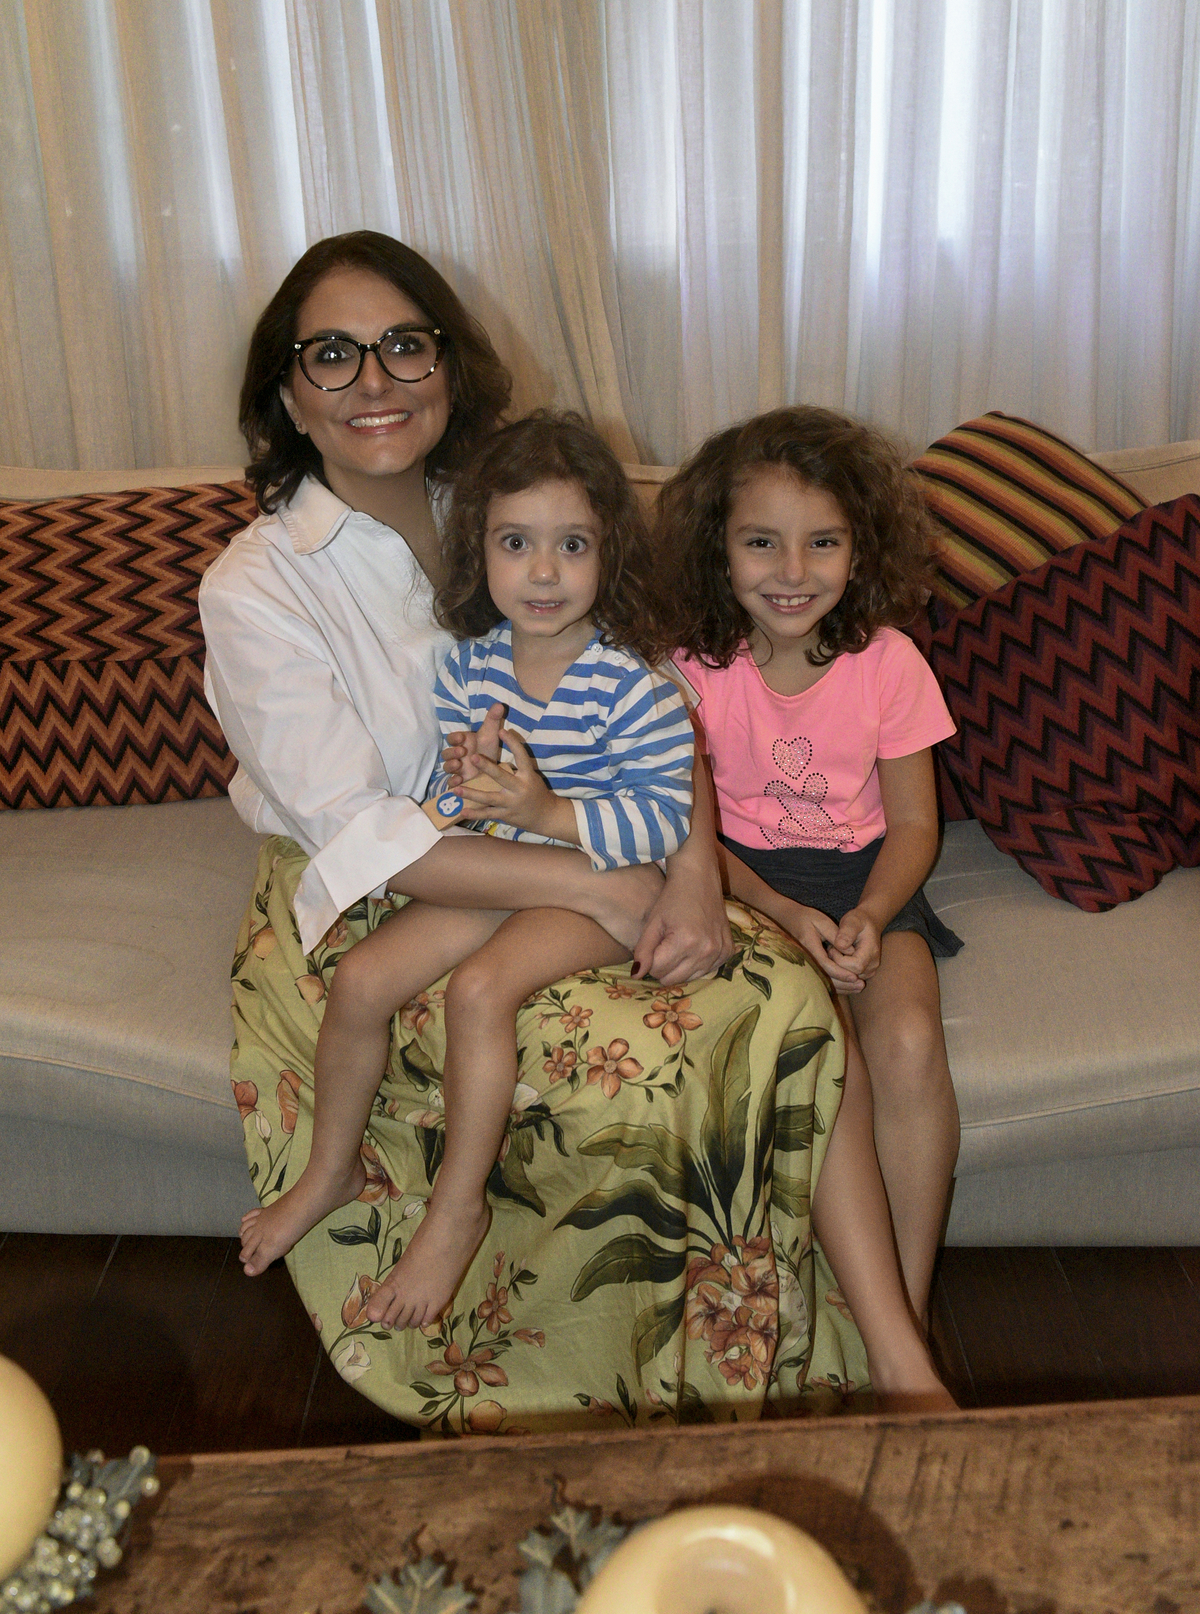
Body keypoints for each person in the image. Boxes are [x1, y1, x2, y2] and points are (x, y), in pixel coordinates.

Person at [201, 234, 949, 1428]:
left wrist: (692, 874)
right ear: (287, 393)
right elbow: (368, 835)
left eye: (404, 345)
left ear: (449, 366)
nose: (375, 379)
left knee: (774, 1006)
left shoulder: (505, 493)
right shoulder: (259, 585)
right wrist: (604, 883)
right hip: (391, 877)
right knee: (637, 1044)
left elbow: (661, 706)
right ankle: (606, 1366)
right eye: (330, 355)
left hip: (579, 847)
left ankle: (879, 1353)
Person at [237, 411, 695, 1330]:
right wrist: (462, 793)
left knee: (479, 991)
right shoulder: (470, 669)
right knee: (361, 979)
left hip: (599, 883)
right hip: (506, 867)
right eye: (515, 543)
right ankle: (329, 1171)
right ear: (478, 550)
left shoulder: (632, 684)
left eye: (572, 545)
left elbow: (664, 813)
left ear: (610, 554)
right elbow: (455, 788)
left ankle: (457, 1210)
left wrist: (547, 815)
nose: (543, 572)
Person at [658, 406, 963, 1325]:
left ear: (860, 550)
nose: (793, 572)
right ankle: (852, 1302)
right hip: (741, 884)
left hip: (869, 880)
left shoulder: (890, 662)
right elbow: (687, 833)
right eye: (762, 543)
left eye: (822, 542)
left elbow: (915, 824)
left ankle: (904, 1313)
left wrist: (870, 912)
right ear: (718, 550)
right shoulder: (687, 670)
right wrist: (786, 916)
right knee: (838, 1063)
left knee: (908, 1044)